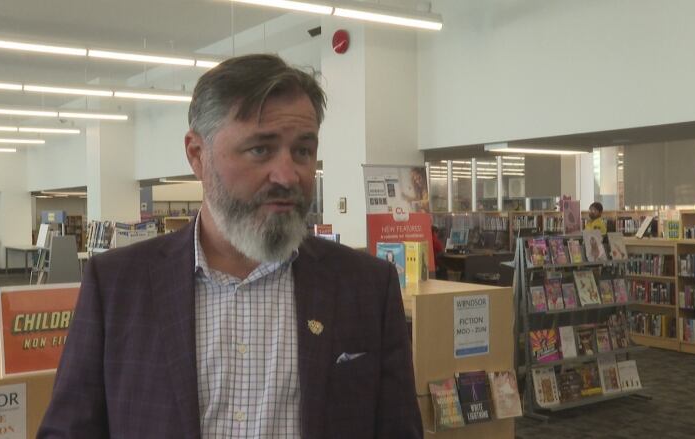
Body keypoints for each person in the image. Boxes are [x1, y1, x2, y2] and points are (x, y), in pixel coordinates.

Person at [37, 54, 422, 438]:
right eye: (260, 149)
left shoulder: (367, 287)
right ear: (197, 155)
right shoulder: (118, 285)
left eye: (303, 151)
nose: (288, 175)